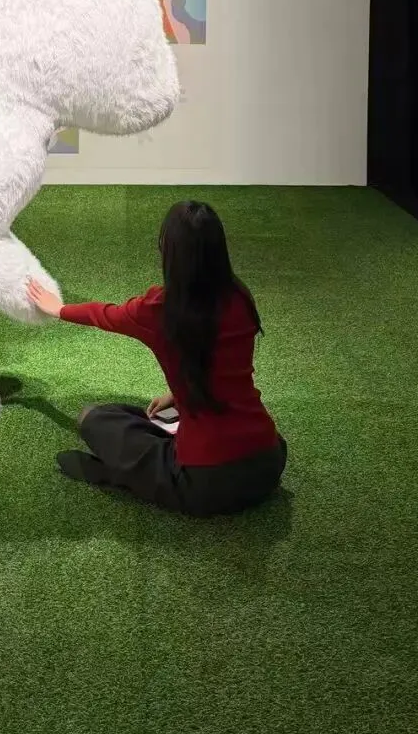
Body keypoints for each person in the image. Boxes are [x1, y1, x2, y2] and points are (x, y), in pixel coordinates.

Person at [26, 201, 285, 517]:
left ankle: (118, 475)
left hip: (204, 483)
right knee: (147, 415)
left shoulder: (159, 309)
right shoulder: (240, 297)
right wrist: (177, 394)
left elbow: (104, 314)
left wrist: (59, 309)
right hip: (269, 460)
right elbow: (227, 367)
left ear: (169, 254)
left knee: (93, 418)